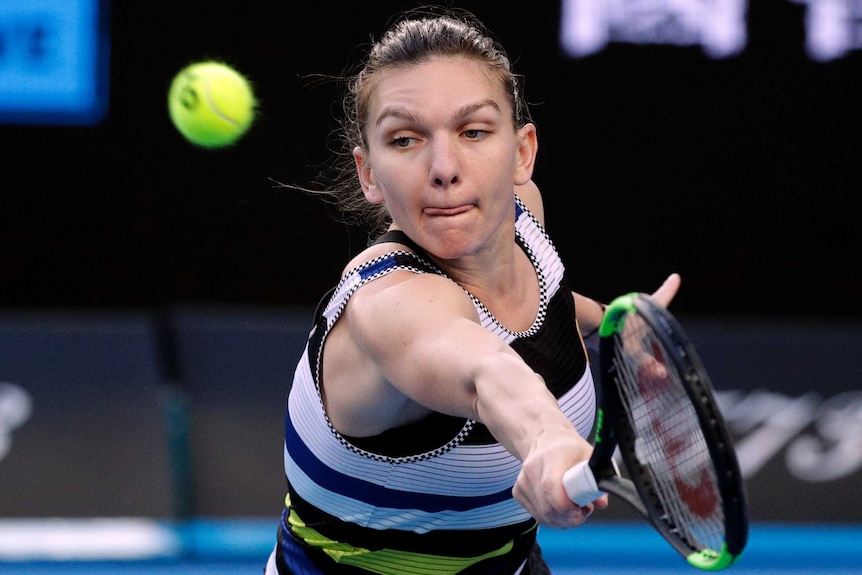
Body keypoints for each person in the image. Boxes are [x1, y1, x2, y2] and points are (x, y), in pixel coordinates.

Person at [266, 6, 681, 574]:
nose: (444, 167)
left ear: (522, 152)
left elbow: (544, 305)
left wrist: (612, 323)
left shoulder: (524, 220)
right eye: (406, 139)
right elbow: (487, 371)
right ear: (369, 174)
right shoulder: (388, 305)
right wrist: (548, 440)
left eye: (474, 131)